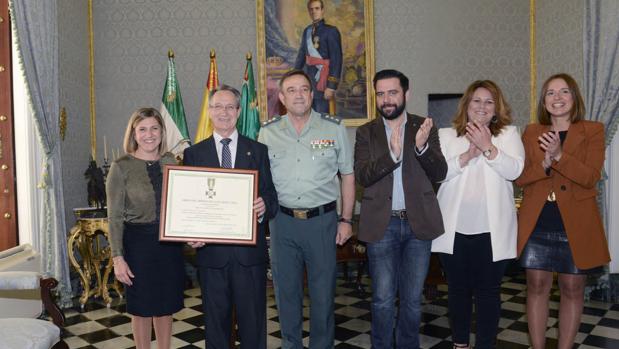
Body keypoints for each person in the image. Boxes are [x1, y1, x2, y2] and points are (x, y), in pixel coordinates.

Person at [258, 69, 354, 349]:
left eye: (304, 89)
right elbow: (260, 181)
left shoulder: (334, 128)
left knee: (323, 294)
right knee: (286, 293)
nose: (298, 95)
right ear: (282, 98)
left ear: (312, 94)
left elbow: (347, 175)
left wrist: (346, 219)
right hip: (282, 223)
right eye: (291, 90)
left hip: (322, 222)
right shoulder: (268, 132)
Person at [516, 73, 611, 349]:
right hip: (538, 220)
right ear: (544, 102)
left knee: (572, 288)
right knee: (536, 286)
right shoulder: (532, 132)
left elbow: (590, 176)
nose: (557, 98)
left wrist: (559, 156)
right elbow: (521, 178)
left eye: (564, 92)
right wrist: (545, 164)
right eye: (550, 93)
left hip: (576, 222)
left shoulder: (592, 130)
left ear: (574, 98)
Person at [354, 69, 447, 349]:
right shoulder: (366, 132)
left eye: (392, 92)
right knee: (382, 300)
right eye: (380, 94)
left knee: (412, 300)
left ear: (406, 94)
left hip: (418, 227)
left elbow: (440, 171)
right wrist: (393, 155)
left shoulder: (424, 127)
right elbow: (363, 176)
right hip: (382, 227)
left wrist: (420, 149)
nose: (386, 99)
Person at [183, 85, 278, 349]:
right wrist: (190, 232)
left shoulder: (257, 150)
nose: (223, 112)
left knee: (254, 325)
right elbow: (189, 203)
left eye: (229, 107)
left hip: (249, 256)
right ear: (210, 112)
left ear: (238, 111)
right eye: (217, 107)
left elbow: (272, 196)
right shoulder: (194, 154)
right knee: (215, 326)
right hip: (212, 256)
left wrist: (263, 206)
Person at [431, 80, 525, 349]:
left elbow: (515, 171)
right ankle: (460, 344)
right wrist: (466, 156)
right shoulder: (447, 135)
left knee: (489, 293)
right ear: (467, 105)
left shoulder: (508, 134)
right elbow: (438, 174)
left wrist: (487, 147)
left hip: (492, 231)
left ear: (496, 109)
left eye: (489, 101)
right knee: (458, 292)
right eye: (476, 100)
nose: (482, 106)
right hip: (454, 229)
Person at [107, 107, 185, 349]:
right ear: (133, 133)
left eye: (154, 128)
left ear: (162, 132)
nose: (149, 134)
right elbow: (114, 218)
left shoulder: (172, 161)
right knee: (141, 308)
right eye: (142, 129)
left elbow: (185, 203)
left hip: (170, 244)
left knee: (165, 306)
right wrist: (118, 258)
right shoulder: (121, 167)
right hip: (137, 245)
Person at [294, 0, 342, 113]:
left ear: (322, 10)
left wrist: (331, 86)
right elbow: (301, 55)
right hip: (308, 82)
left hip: (323, 82)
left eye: (317, 8)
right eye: (311, 9)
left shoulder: (331, 31)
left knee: (321, 120)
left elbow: (336, 60)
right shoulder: (307, 31)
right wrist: (294, 75)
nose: (313, 12)